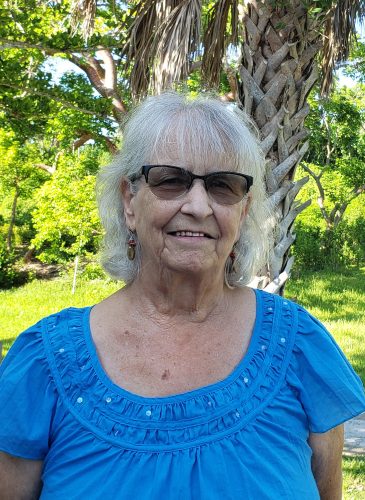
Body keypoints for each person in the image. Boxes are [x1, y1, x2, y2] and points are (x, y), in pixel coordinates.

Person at [0, 92, 364, 500]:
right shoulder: (44, 363)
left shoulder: (299, 345)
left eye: (222, 185)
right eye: (170, 180)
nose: (197, 205)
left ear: (243, 213)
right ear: (129, 202)